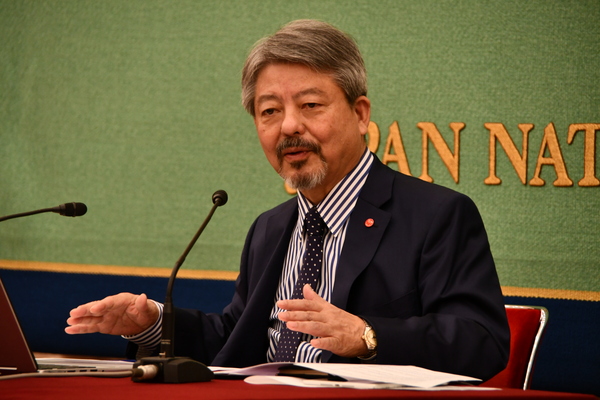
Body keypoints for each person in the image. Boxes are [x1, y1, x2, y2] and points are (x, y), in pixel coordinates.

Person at [66, 19, 509, 380]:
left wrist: (367, 336)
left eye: (310, 105)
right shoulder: (270, 228)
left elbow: (483, 341)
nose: (288, 127)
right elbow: (235, 341)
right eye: (270, 111)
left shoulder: (435, 215)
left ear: (360, 115)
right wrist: (153, 324)